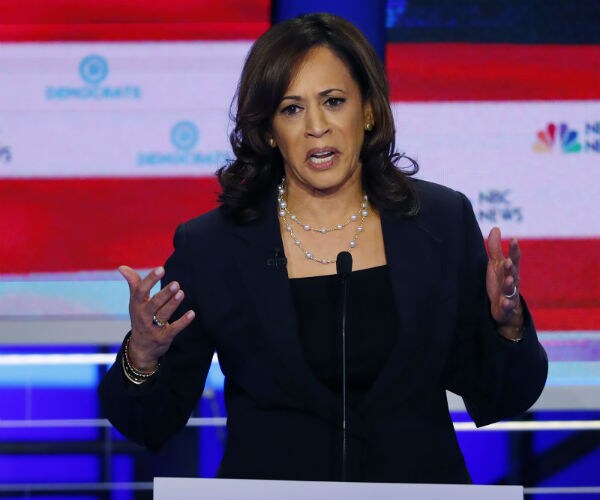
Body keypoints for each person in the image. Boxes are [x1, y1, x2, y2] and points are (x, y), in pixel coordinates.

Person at [99, 13, 547, 483]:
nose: (317, 126)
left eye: (333, 101)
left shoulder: (439, 222)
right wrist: (141, 358)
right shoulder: (213, 246)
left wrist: (507, 327)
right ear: (269, 131)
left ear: (368, 111)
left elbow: (500, 395)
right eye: (291, 109)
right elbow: (150, 423)